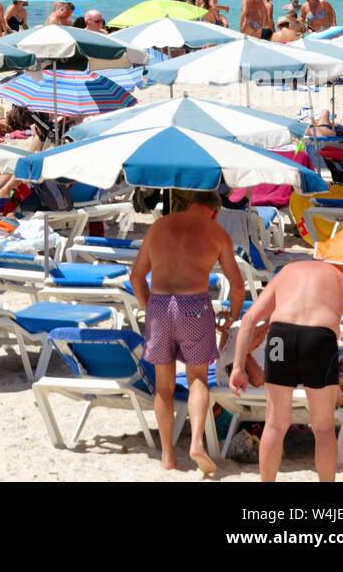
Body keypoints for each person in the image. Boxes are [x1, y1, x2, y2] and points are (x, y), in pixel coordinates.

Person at [130, 190, 244, 475]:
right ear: (214, 211)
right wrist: (231, 316)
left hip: (158, 304)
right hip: (194, 305)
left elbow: (135, 276)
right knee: (197, 381)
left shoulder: (158, 226)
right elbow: (238, 285)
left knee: (164, 387)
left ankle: (168, 456)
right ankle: (195, 442)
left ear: (190, 204)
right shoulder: (216, 233)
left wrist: (150, 307)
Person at [230, 260, 343, 483]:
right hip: (319, 339)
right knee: (323, 427)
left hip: (280, 337)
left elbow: (248, 319)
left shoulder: (287, 271)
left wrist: (237, 367)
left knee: (274, 423)